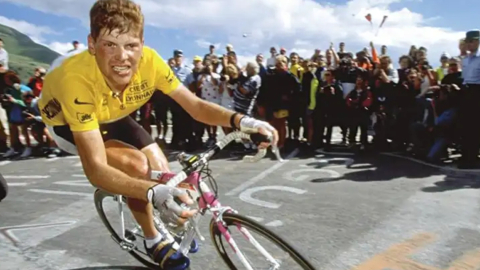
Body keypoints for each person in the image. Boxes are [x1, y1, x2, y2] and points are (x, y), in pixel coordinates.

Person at [37, 1, 278, 269]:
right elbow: (95, 169)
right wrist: (152, 192)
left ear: (142, 43)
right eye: (109, 45)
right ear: (92, 45)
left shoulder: (151, 62)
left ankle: (162, 214)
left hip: (114, 114)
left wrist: (242, 121)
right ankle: (153, 240)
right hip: (69, 123)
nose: (122, 57)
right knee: (136, 167)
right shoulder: (75, 79)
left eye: (131, 45)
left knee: (163, 168)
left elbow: (195, 106)